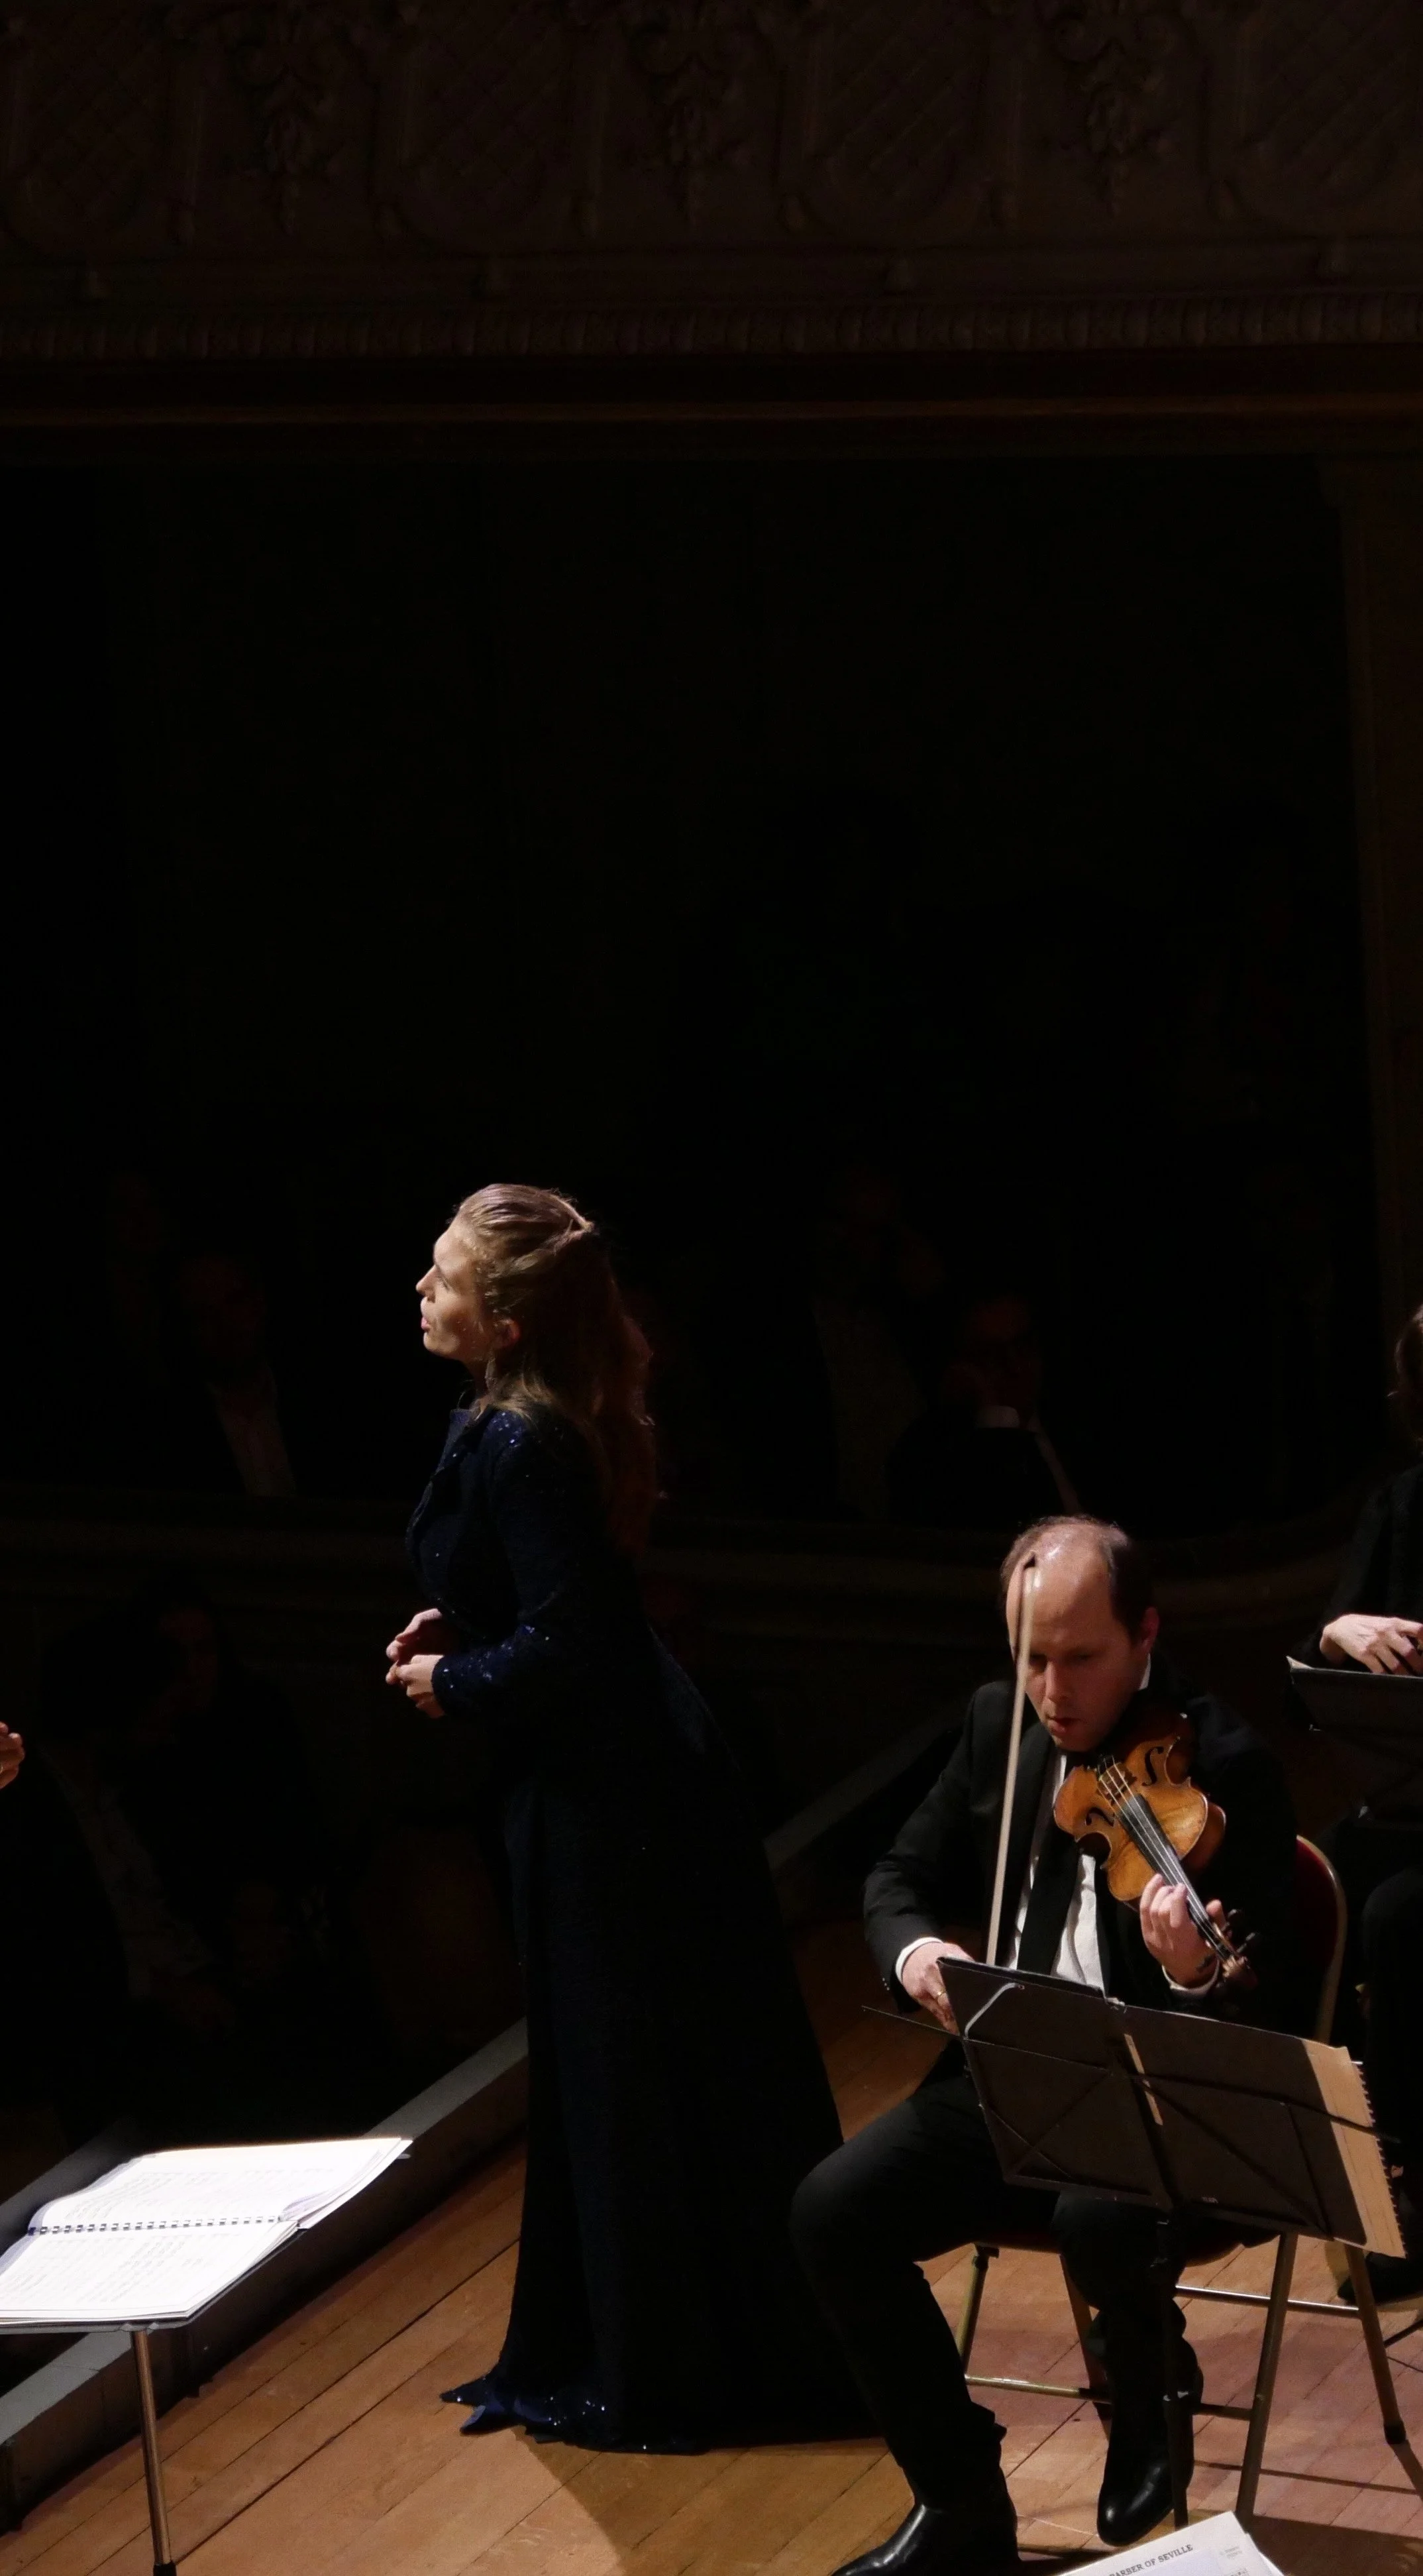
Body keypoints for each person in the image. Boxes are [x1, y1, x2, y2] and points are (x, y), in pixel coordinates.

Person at [386, 1182, 863, 2448]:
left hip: (618, 1799)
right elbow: (553, 1603)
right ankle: (640, 2332)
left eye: (442, 1276)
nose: (420, 1291)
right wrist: (469, 1631)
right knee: (617, 2064)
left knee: (635, 2066)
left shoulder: (523, 1440)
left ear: (504, 1319)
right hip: (602, 1779)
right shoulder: (506, 1420)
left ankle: (671, 2356)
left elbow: (584, 1638)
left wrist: (457, 1679)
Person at [790, 1515, 1305, 2576]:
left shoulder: (1228, 1767)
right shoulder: (999, 1728)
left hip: (1168, 2114)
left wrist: (1190, 1971)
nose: (1055, 1692)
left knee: (1094, 2210)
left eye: (1083, 1659)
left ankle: (1145, 2395)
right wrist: (918, 1953)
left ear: (1145, 1635)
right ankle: (961, 2499)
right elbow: (895, 1877)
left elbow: (1277, 2006)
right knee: (830, 2212)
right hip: (1016, 2087)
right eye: (1034, 1660)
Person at [1291, 1303, 1423, 2297]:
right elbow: (1329, 1629)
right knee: (1305, 1881)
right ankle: (1325, 2155)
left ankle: (1411, 2194)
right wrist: (1345, 1631)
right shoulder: (1401, 1503)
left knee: (1396, 1920)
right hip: (1411, 1802)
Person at [888, 1288, 1079, 1531]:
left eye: (1022, 1346)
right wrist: (992, 1417)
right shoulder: (935, 1455)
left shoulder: (1076, 1428)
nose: (1015, 1368)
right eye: (991, 1356)